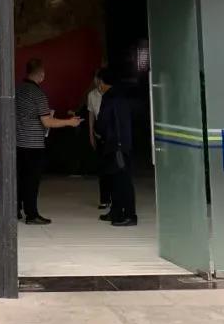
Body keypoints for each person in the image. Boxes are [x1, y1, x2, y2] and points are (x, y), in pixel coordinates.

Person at [16, 57, 83, 225]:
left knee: (20, 178)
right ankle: (32, 215)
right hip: (33, 144)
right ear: (41, 74)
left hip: (18, 142)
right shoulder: (38, 94)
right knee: (32, 181)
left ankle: (16, 210)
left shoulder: (18, 90)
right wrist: (69, 122)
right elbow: (47, 122)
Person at [95, 67, 137, 227]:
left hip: (115, 145)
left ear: (102, 82)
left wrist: (98, 130)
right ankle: (117, 211)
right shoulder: (122, 95)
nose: (98, 85)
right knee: (117, 179)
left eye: (98, 82)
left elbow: (103, 122)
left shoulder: (109, 97)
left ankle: (129, 215)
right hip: (122, 143)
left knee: (121, 180)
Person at [86, 70, 110, 210]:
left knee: (112, 167)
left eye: (98, 79)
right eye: (95, 79)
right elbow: (91, 116)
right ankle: (104, 199)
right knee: (102, 168)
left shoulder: (110, 94)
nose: (96, 82)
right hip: (99, 134)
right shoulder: (91, 95)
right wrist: (91, 134)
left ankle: (114, 197)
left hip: (111, 135)